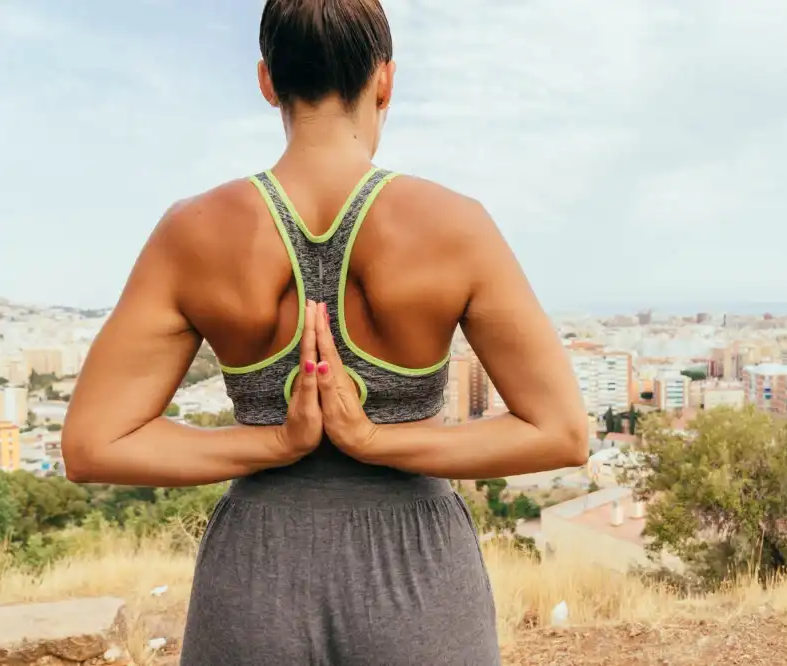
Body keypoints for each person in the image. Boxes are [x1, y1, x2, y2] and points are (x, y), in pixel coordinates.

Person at [61, 0, 588, 663]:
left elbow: (92, 446)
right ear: (385, 79)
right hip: (418, 574)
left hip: (256, 572)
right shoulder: (456, 225)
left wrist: (275, 442)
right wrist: (375, 439)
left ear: (267, 81)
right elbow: (562, 433)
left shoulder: (191, 231)